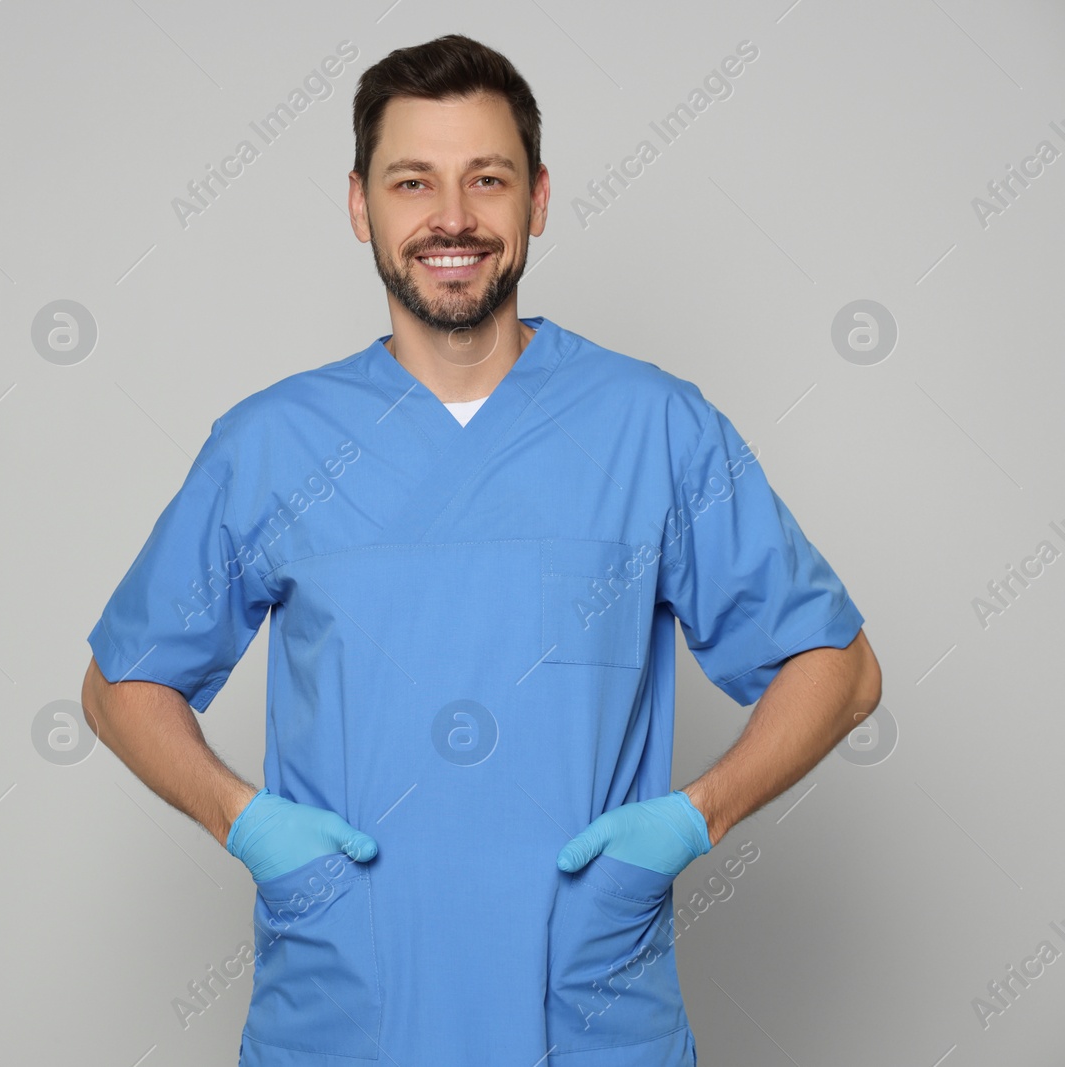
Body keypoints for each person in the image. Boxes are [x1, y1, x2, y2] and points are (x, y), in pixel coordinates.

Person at [81, 32, 880, 1067]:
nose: (450, 217)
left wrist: (692, 817)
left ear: (536, 200)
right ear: (361, 204)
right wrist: (246, 823)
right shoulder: (271, 445)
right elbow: (120, 684)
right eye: (411, 181)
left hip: (590, 1014)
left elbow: (841, 671)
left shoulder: (654, 429)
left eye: (485, 179)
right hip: (342, 1012)